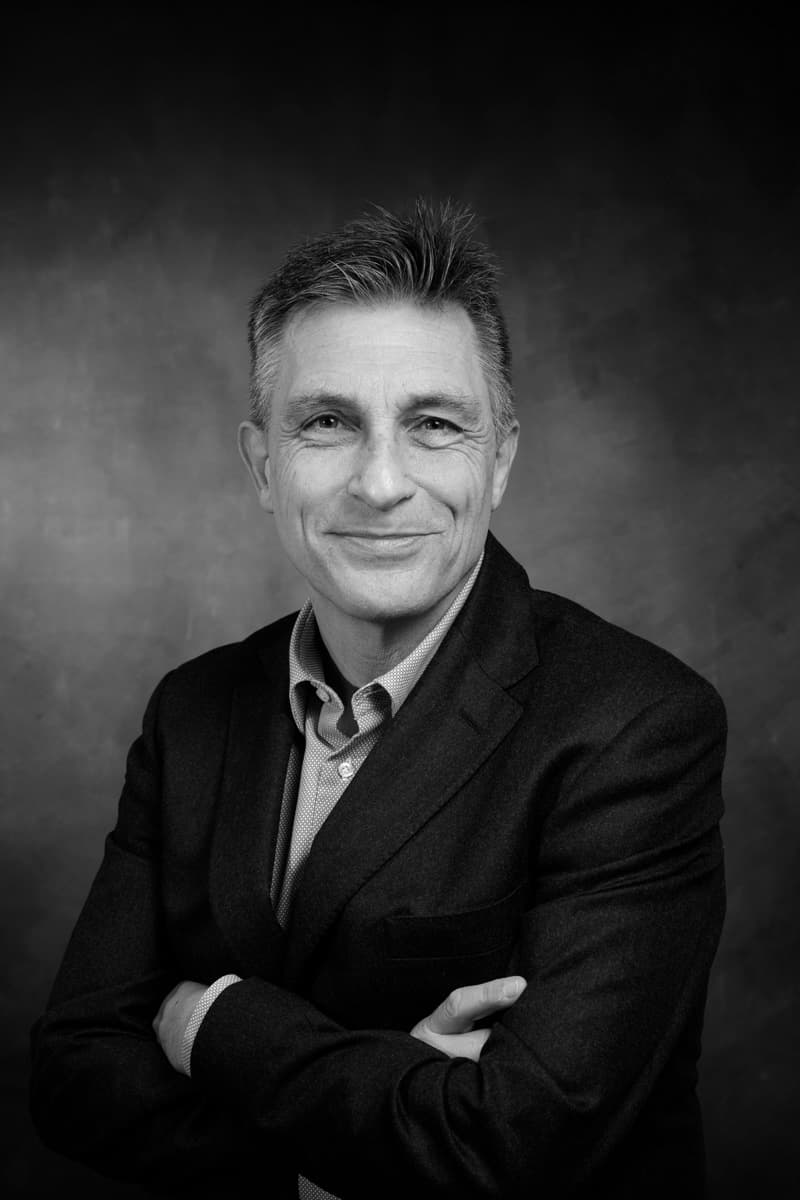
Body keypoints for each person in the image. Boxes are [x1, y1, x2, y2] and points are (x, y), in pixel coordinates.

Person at [30, 200, 727, 1199]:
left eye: (434, 425)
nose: (381, 482)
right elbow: (73, 1076)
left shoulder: (636, 726)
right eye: (328, 423)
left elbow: (509, 1147)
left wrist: (206, 1018)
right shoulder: (192, 711)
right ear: (263, 465)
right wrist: (359, 1144)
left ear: (499, 459)